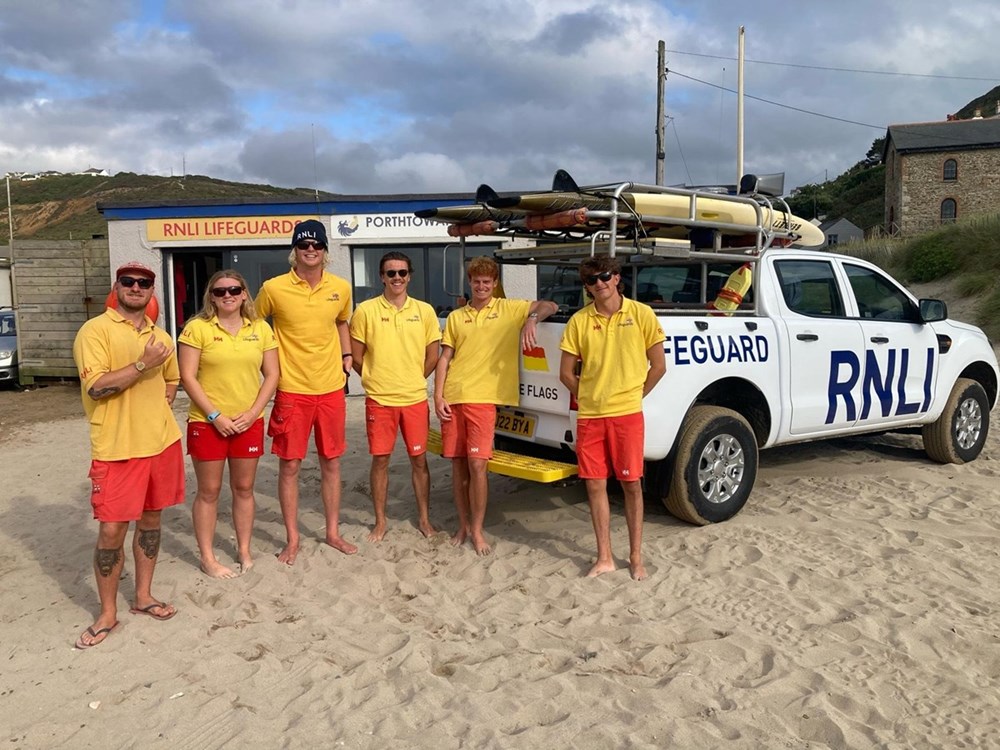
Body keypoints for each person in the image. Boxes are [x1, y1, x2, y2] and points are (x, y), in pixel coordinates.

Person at [71, 261, 185, 649]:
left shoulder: (161, 336)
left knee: (151, 523)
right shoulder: (95, 331)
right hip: (117, 447)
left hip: (161, 443)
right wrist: (141, 365)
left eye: (144, 283)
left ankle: (143, 596)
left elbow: (172, 377)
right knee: (111, 530)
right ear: (117, 286)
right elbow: (97, 388)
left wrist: (165, 390)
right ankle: (107, 613)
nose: (136, 287)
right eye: (129, 281)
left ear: (152, 291)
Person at [434, 256, 558, 555]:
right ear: (470, 282)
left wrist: (531, 320)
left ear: (494, 283)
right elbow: (444, 358)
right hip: (454, 396)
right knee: (458, 465)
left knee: (478, 465)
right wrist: (437, 396)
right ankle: (463, 526)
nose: (481, 287)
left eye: (486, 282)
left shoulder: (508, 309)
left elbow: (549, 305)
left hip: (484, 400)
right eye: (476, 281)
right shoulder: (456, 316)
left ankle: (477, 530)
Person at [559, 255, 666, 581]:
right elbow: (565, 373)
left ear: (617, 278)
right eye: (591, 280)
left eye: (605, 276)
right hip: (591, 416)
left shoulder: (641, 313)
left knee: (631, 484)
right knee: (594, 485)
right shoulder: (579, 320)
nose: (599, 284)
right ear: (587, 287)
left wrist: (633, 396)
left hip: (627, 415)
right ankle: (604, 556)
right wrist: (590, 395)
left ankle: (635, 557)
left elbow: (659, 366)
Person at [255, 220, 355, 564]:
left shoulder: (340, 287)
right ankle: (293, 539)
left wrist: (346, 356)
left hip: (330, 389)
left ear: (325, 251)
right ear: (294, 250)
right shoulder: (273, 288)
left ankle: (332, 532)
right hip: (291, 390)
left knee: (331, 462)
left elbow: (342, 322)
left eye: (316, 245)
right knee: (290, 466)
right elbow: (254, 325)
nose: (310, 250)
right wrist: (267, 366)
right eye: (303, 245)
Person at [178, 270, 279, 578]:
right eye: (220, 291)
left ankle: (244, 550)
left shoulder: (260, 328)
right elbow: (187, 376)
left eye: (234, 290)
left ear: (244, 293)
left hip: (248, 421)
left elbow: (272, 375)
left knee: (244, 488)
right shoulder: (198, 329)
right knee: (208, 491)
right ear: (211, 296)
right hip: (208, 422)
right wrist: (215, 416)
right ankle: (208, 558)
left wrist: (252, 412)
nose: (227, 296)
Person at [350, 251, 441, 541]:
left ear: (409, 275)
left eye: (402, 272)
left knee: (419, 460)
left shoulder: (424, 311)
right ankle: (380, 521)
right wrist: (375, 379)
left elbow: (433, 355)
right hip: (380, 399)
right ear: (382, 277)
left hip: (414, 398)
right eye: (391, 273)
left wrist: (415, 379)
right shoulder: (365, 310)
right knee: (381, 461)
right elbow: (355, 357)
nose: (397, 278)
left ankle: (424, 519)